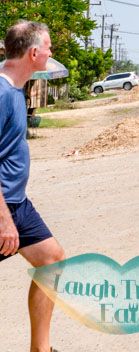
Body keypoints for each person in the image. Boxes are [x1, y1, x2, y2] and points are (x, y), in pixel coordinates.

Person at [0, 20, 66, 352]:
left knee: (51, 259)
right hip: (2, 207)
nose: (52, 52)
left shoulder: (13, 89)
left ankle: (40, 349)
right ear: (35, 52)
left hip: (17, 203)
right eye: (49, 46)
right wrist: (3, 219)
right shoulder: (0, 93)